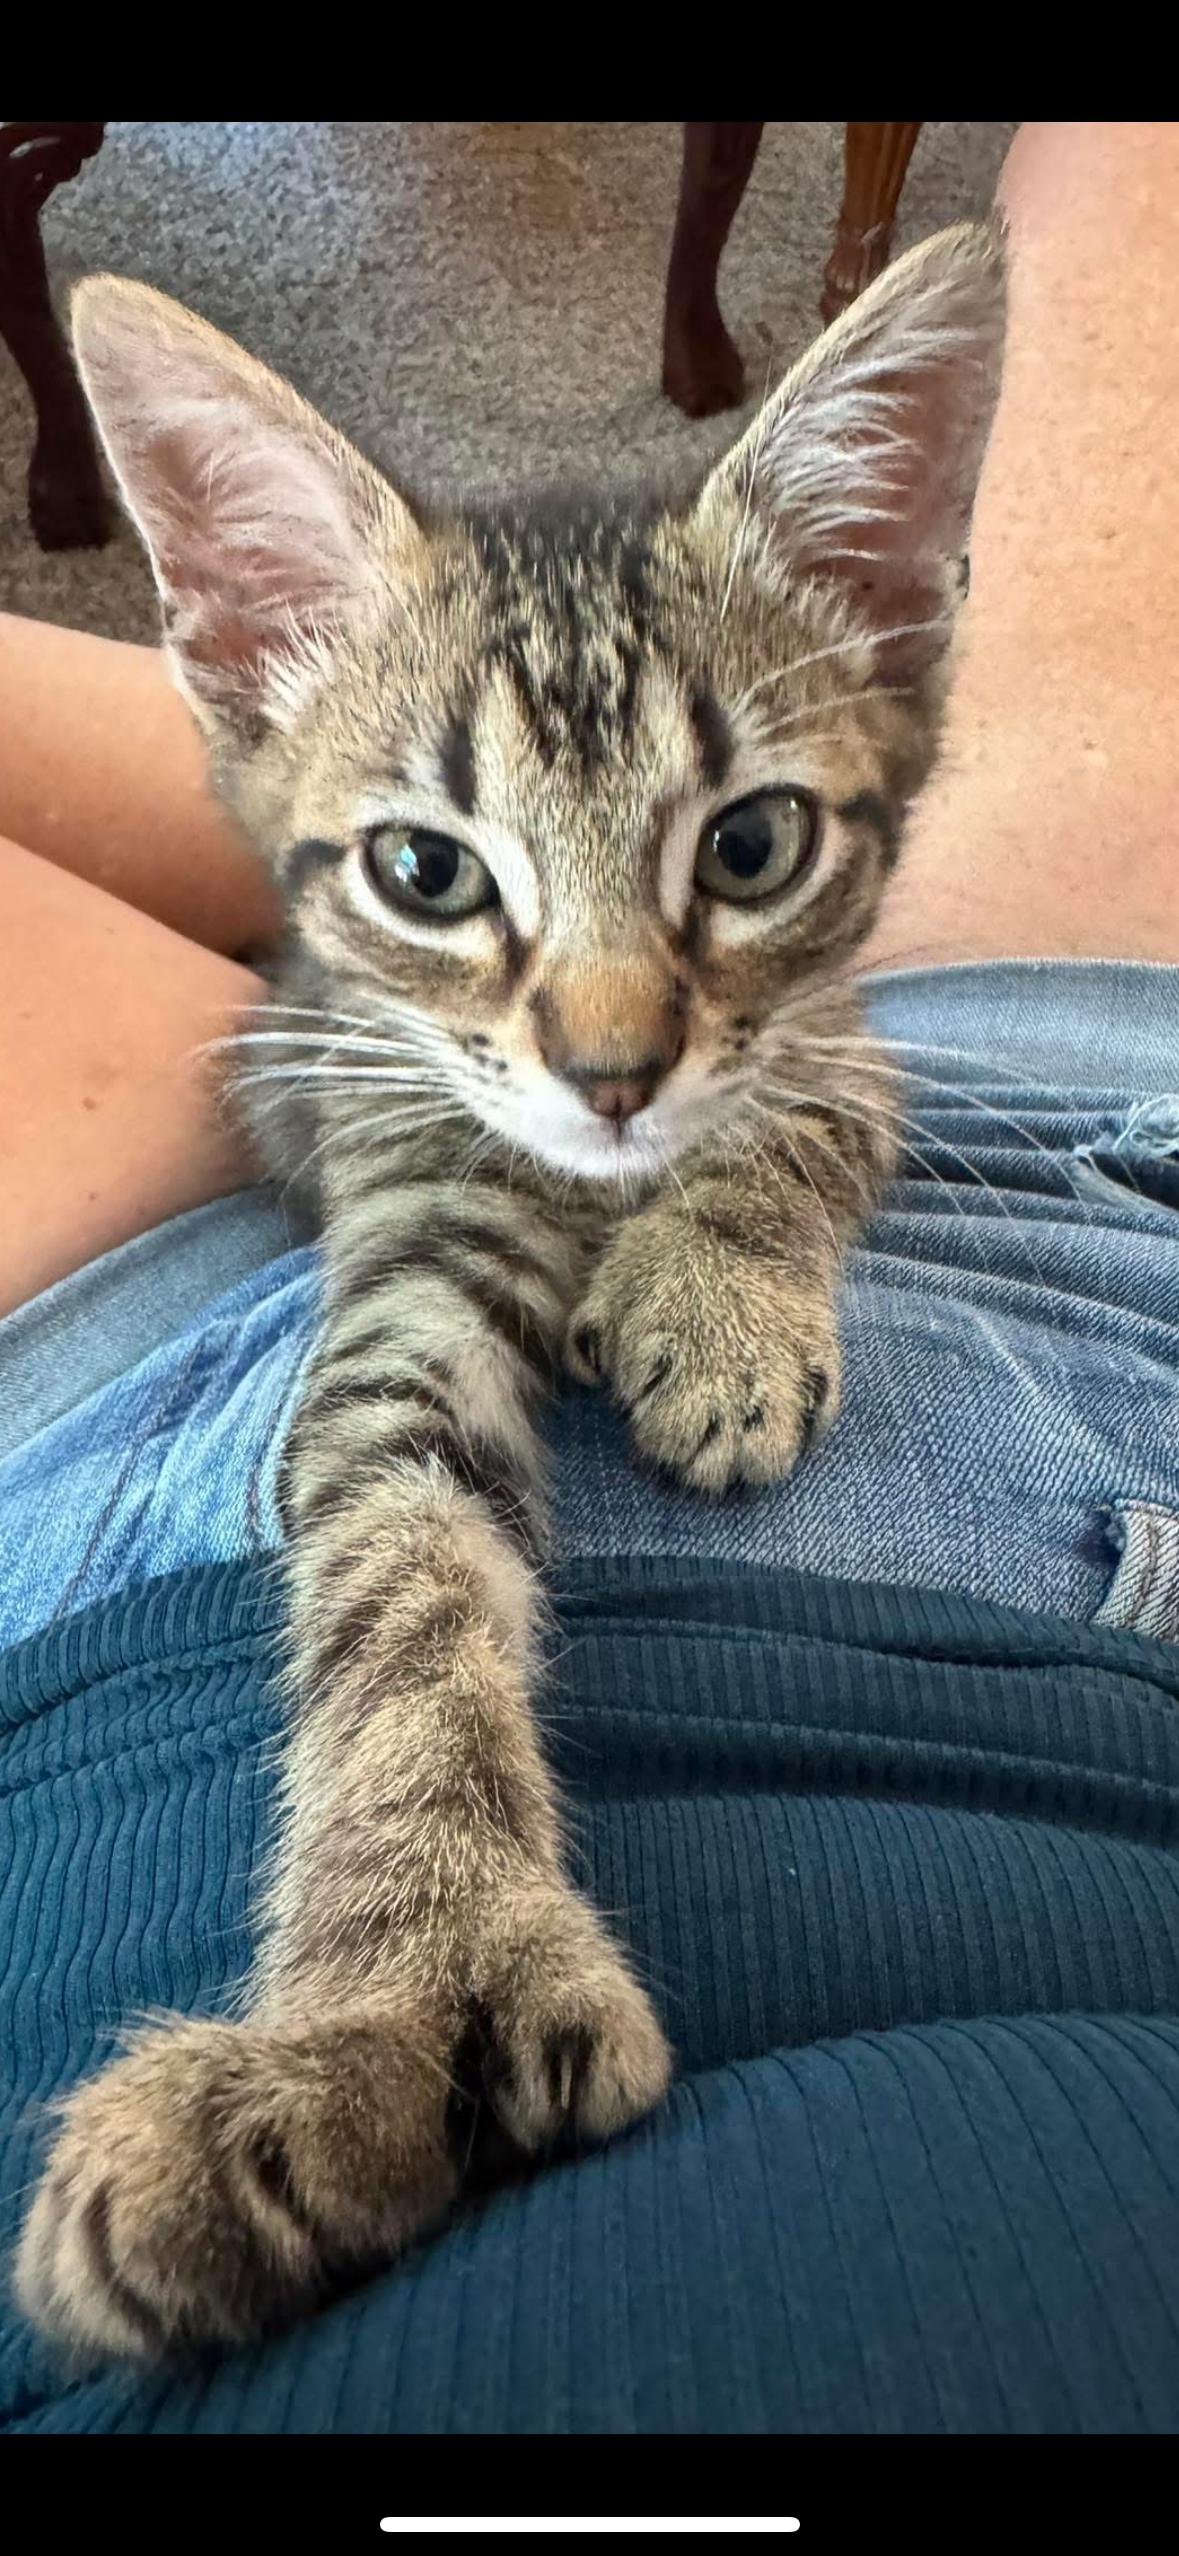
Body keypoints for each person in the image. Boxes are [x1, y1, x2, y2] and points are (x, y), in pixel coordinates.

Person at [1, 120, 1177, 2436]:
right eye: (443, 874)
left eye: (744, 844)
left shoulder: (744, 940)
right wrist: (415, 1933)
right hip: (1073, 1248)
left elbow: (822, 1077)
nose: (610, 1041)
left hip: (98, 1455)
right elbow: (398, 1377)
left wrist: (740, 1214)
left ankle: (395, 829)